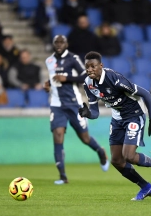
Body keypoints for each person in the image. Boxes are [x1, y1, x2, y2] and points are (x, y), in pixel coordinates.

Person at [79, 51, 151, 200]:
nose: (89, 69)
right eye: (87, 67)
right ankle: (146, 187)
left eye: (93, 66)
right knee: (116, 160)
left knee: (129, 156)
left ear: (100, 66)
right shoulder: (88, 84)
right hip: (117, 119)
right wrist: (87, 113)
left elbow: (146, 94)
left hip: (134, 115)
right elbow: (95, 113)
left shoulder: (115, 79)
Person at [44, 35, 110, 184]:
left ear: (66, 44)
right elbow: (54, 78)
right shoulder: (49, 61)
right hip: (56, 104)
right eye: (57, 42)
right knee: (58, 134)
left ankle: (100, 151)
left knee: (84, 138)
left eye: (62, 42)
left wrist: (66, 78)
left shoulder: (73, 58)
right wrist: (48, 84)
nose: (59, 44)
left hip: (74, 104)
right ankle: (63, 176)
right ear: (53, 44)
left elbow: (84, 76)